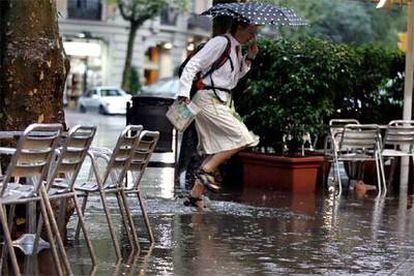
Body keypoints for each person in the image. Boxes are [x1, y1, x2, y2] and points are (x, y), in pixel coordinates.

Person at [177, 21, 260, 209]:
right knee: (242, 137)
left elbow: (232, 79)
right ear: (239, 27)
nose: (252, 36)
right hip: (208, 99)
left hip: (221, 99)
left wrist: (249, 58)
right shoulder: (220, 42)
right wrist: (183, 94)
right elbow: (193, 64)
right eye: (251, 31)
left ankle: (195, 196)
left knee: (218, 148)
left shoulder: (237, 48)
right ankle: (205, 170)